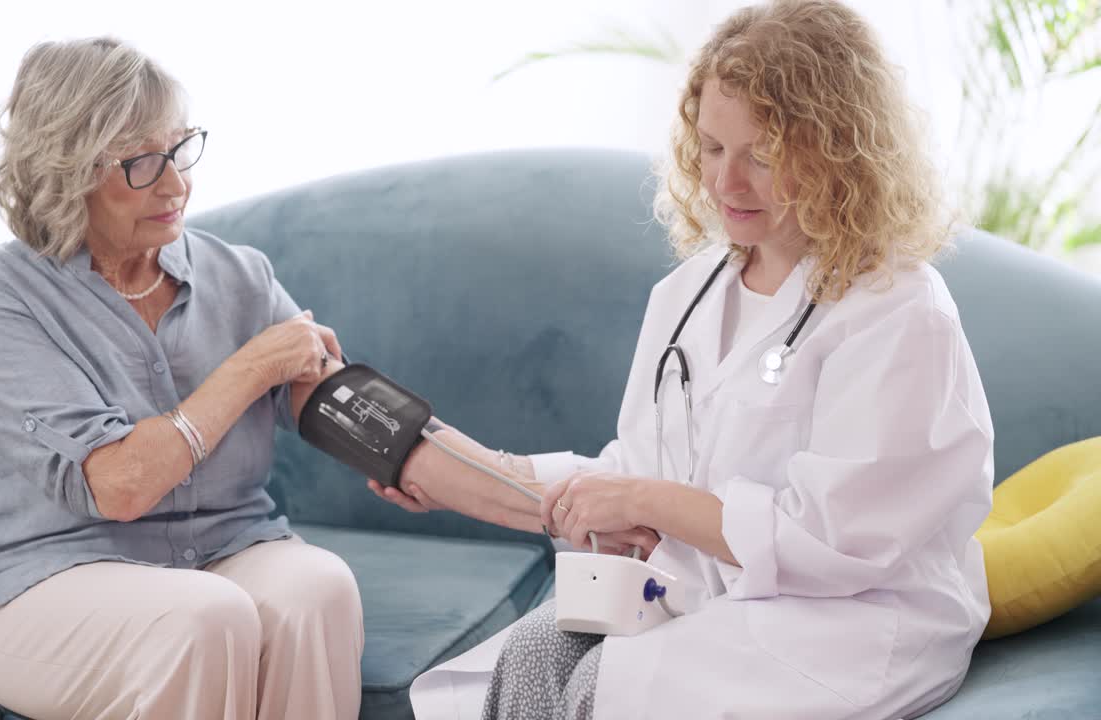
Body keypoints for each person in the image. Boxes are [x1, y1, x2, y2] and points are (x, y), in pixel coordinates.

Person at [372, 1, 994, 718]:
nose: (727, 183)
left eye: (763, 157)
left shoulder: (897, 310)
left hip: (851, 615)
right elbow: (639, 467)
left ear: (837, 151)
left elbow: (833, 538)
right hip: (703, 590)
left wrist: (642, 500)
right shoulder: (690, 293)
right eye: (713, 148)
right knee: (532, 658)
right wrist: (467, 469)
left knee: (607, 689)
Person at [0, 37, 363, 720]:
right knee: (205, 619)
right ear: (65, 171)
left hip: (223, 549)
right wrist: (253, 366)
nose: (177, 184)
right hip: (41, 573)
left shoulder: (237, 274)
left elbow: (364, 418)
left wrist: (528, 489)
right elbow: (120, 484)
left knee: (318, 587)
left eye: (180, 149)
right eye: (141, 163)